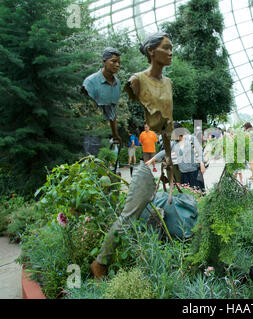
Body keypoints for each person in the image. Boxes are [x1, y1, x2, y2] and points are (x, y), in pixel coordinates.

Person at [90, 32, 174, 279]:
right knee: (130, 215)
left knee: (152, 213)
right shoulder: (136, 81)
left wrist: (169, 158)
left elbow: (168, 124)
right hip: (142, 160)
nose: (170, 53)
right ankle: (100, 263)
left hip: (160, 157)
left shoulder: (168, 83)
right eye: (166, 48)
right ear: (151, 51)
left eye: (171, 49)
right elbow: (115, 110)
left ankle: (147, 263)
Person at [82, 47, 122, 144]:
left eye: (119, 63)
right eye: (113, 61)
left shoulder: (117, 83)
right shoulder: (90, 82)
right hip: (91, 133)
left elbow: (112, 111)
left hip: (108, 136)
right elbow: (83, 112)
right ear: (104, 61)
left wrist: (115, 134)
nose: (117, 65)